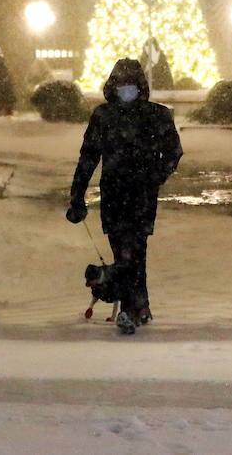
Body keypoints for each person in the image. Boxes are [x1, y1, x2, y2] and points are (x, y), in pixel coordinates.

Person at [66, 57, 182, 335]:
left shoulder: (155, 115)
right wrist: (77, 195)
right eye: (122, 84)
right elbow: (88, 157)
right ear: (113, 86)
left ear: (139, 86)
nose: (125, 89)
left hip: (140, 193)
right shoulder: (104, 116)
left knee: (133, 250)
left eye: (130, 84)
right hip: (116, 194)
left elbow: (173, 151)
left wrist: (155, 175)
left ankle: (131, 309)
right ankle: (139, 305)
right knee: (126, 251)